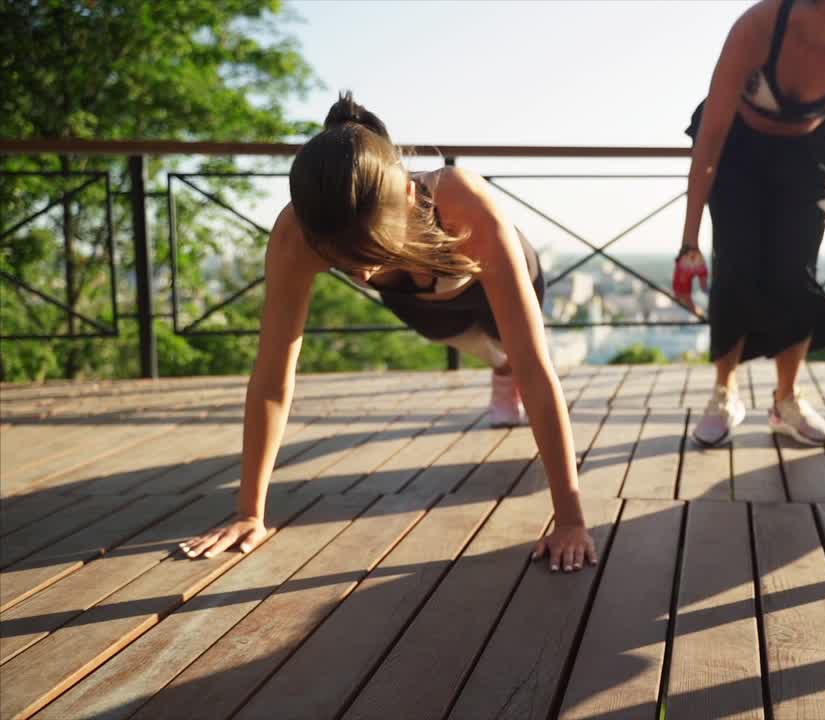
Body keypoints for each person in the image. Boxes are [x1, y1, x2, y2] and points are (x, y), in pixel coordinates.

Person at [179, 93, 595, 572]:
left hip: (493, 271)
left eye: (374, 254)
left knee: (518, 354)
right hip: (425, 304)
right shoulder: (297, 233)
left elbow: (538, 369)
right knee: (461, 340)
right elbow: (272, 379)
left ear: (411, 197)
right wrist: (250, 514)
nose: (363, 276)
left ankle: (505, 370)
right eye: (345, 263)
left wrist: (570, 520)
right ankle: (501, 368)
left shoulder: (462, 201)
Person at [675, 0, 825, 449]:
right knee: (736, 265)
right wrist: (689, 243)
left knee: (795, 273)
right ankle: (723, 394)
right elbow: (712, 137)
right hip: (737, 149)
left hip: (809, 157)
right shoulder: (758, 28)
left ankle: (787, 401)